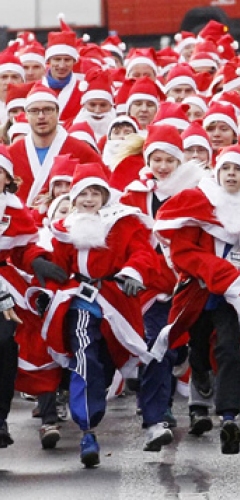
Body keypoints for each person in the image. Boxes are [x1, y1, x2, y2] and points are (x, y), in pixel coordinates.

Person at [153, 144, 240, 455]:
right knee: (196, 348)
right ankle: (199, 379)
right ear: (218, 172)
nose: (232, 175)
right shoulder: (200, 204)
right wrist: (221, 273)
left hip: (233, 299)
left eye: (238, 169)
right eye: (226, 168)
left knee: (229, 351)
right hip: (198, 292)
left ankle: (228, 417)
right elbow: (184, 252)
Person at [40, 163, 161, 467]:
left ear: (106, 196)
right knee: (84, 358)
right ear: (75, 196)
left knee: (107, 363)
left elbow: (142, 253)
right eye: (84, 193)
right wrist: (47, 290)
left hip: (115, 302)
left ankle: (99, 402)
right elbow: (55, 266)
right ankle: (87, 430)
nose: (90, 199)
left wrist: (133, 272)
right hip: (79, 301)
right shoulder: (64, 228)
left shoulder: (122, 223)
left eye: (96, 193)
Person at [120, 124, 207, 446]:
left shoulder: (197, 191)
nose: (162, 165)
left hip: (188, 282)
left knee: (176, 351)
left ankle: (164, 403)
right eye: (155, 158)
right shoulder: (134, 193)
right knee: (157, 347)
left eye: (169, 159)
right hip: (149, 282)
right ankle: (155, 416)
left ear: (180, 160)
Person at [0, 144, 66, 450]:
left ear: (8, 178)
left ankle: (5, 418)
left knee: (13, 343)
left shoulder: (14, 209)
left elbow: (23, 248)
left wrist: (36, 258)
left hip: (6, 285)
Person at [9, 83, 101, 207]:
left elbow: (102, 188)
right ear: (26, 115)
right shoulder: (11, 153)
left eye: (47, 110)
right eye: (34, 111)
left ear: (58, 112)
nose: (41, 116)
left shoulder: (81, 151)